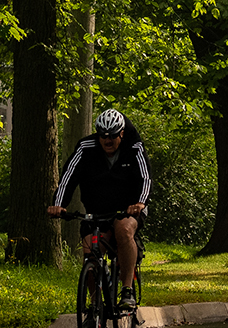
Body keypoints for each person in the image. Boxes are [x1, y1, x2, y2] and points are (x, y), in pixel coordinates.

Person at [48, 108, 151, 309]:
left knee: (124, 230)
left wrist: (140, 202)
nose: (108, 141)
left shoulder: (135, 148)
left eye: (113, 136)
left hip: (128, 209)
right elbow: (69, 177)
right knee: (90, 252)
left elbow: (145, 178)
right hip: (97, 211)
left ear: (121, 133)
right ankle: (95, 306)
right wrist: (59, 205)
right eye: (103, 136)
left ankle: (127, 290)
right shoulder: (85, 147)